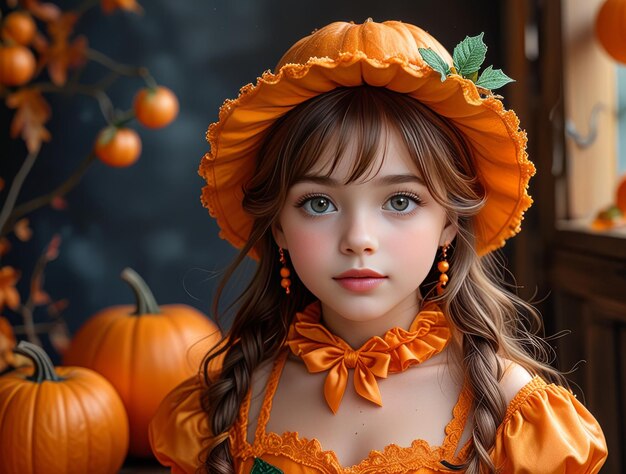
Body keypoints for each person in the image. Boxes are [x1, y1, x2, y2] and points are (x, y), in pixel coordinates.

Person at [149, 19, 608, 473]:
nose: (358, 240)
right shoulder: (227, 400)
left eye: (401, 200)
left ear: (449, 221)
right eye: (319, 203)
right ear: (278, 227)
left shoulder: (513, 411)